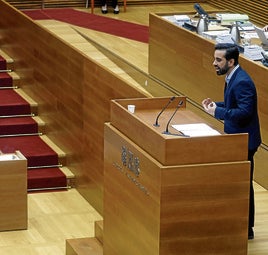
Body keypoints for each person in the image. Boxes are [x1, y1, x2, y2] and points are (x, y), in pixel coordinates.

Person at [202, 43, 262, 240]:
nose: (214, 63)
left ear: (231, 61)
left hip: (244, 141)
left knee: (243, 184)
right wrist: (215, 106)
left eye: (218, 60)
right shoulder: (232, 76)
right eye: (214, 59)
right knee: (239, 183)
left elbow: (245, 113)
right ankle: (241, 225)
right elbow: (232, 105)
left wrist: (217, 112)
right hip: (236, 138)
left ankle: (247, 229)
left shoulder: (242, 81)